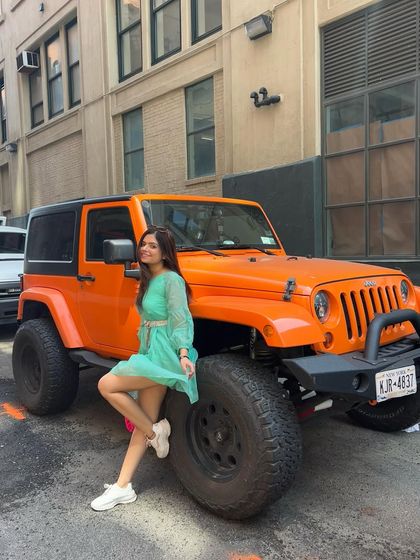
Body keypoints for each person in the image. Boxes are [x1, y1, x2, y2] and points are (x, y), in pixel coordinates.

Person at [90, 225, 198, 511]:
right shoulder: (150, 279)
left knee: (106, 385)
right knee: (142, 421)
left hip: (163, 354)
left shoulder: (171, 279)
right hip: (150, 350)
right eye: (143, 245)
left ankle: (154, 433)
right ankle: (123, 487)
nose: (145, 249)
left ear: (165, 251)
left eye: (152, 245)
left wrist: (184, 353)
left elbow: (180, 318)